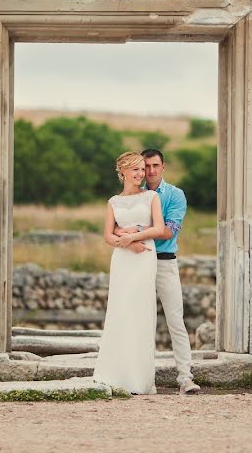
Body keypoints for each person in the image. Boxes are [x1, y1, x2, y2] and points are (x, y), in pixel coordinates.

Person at [114, 148, 200, 395]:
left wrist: (133, 232)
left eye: (154, 166)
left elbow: (168, 231)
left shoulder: (174, 195)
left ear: (163, 167)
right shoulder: (132, 195)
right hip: (136, 261)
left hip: (164, 260)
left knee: (175, 319)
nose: (149, 171)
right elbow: (116, 227)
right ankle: (140, 379)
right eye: (145, 166)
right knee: (138, 320)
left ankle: (185, 377)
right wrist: (124, 234)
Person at [92, 151, 166, 395]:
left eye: (142, 169)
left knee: (141, 312)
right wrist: (125, 243)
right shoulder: (113, 202)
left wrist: (133, 237)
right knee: (120, 310)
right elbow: (107, 236)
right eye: (135, 169)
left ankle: (139, 379)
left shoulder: (151, 196)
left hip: (144, 256)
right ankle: (114, 374)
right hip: (123, 259)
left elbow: (159, 228)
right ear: (122, 171)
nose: (141, 174)